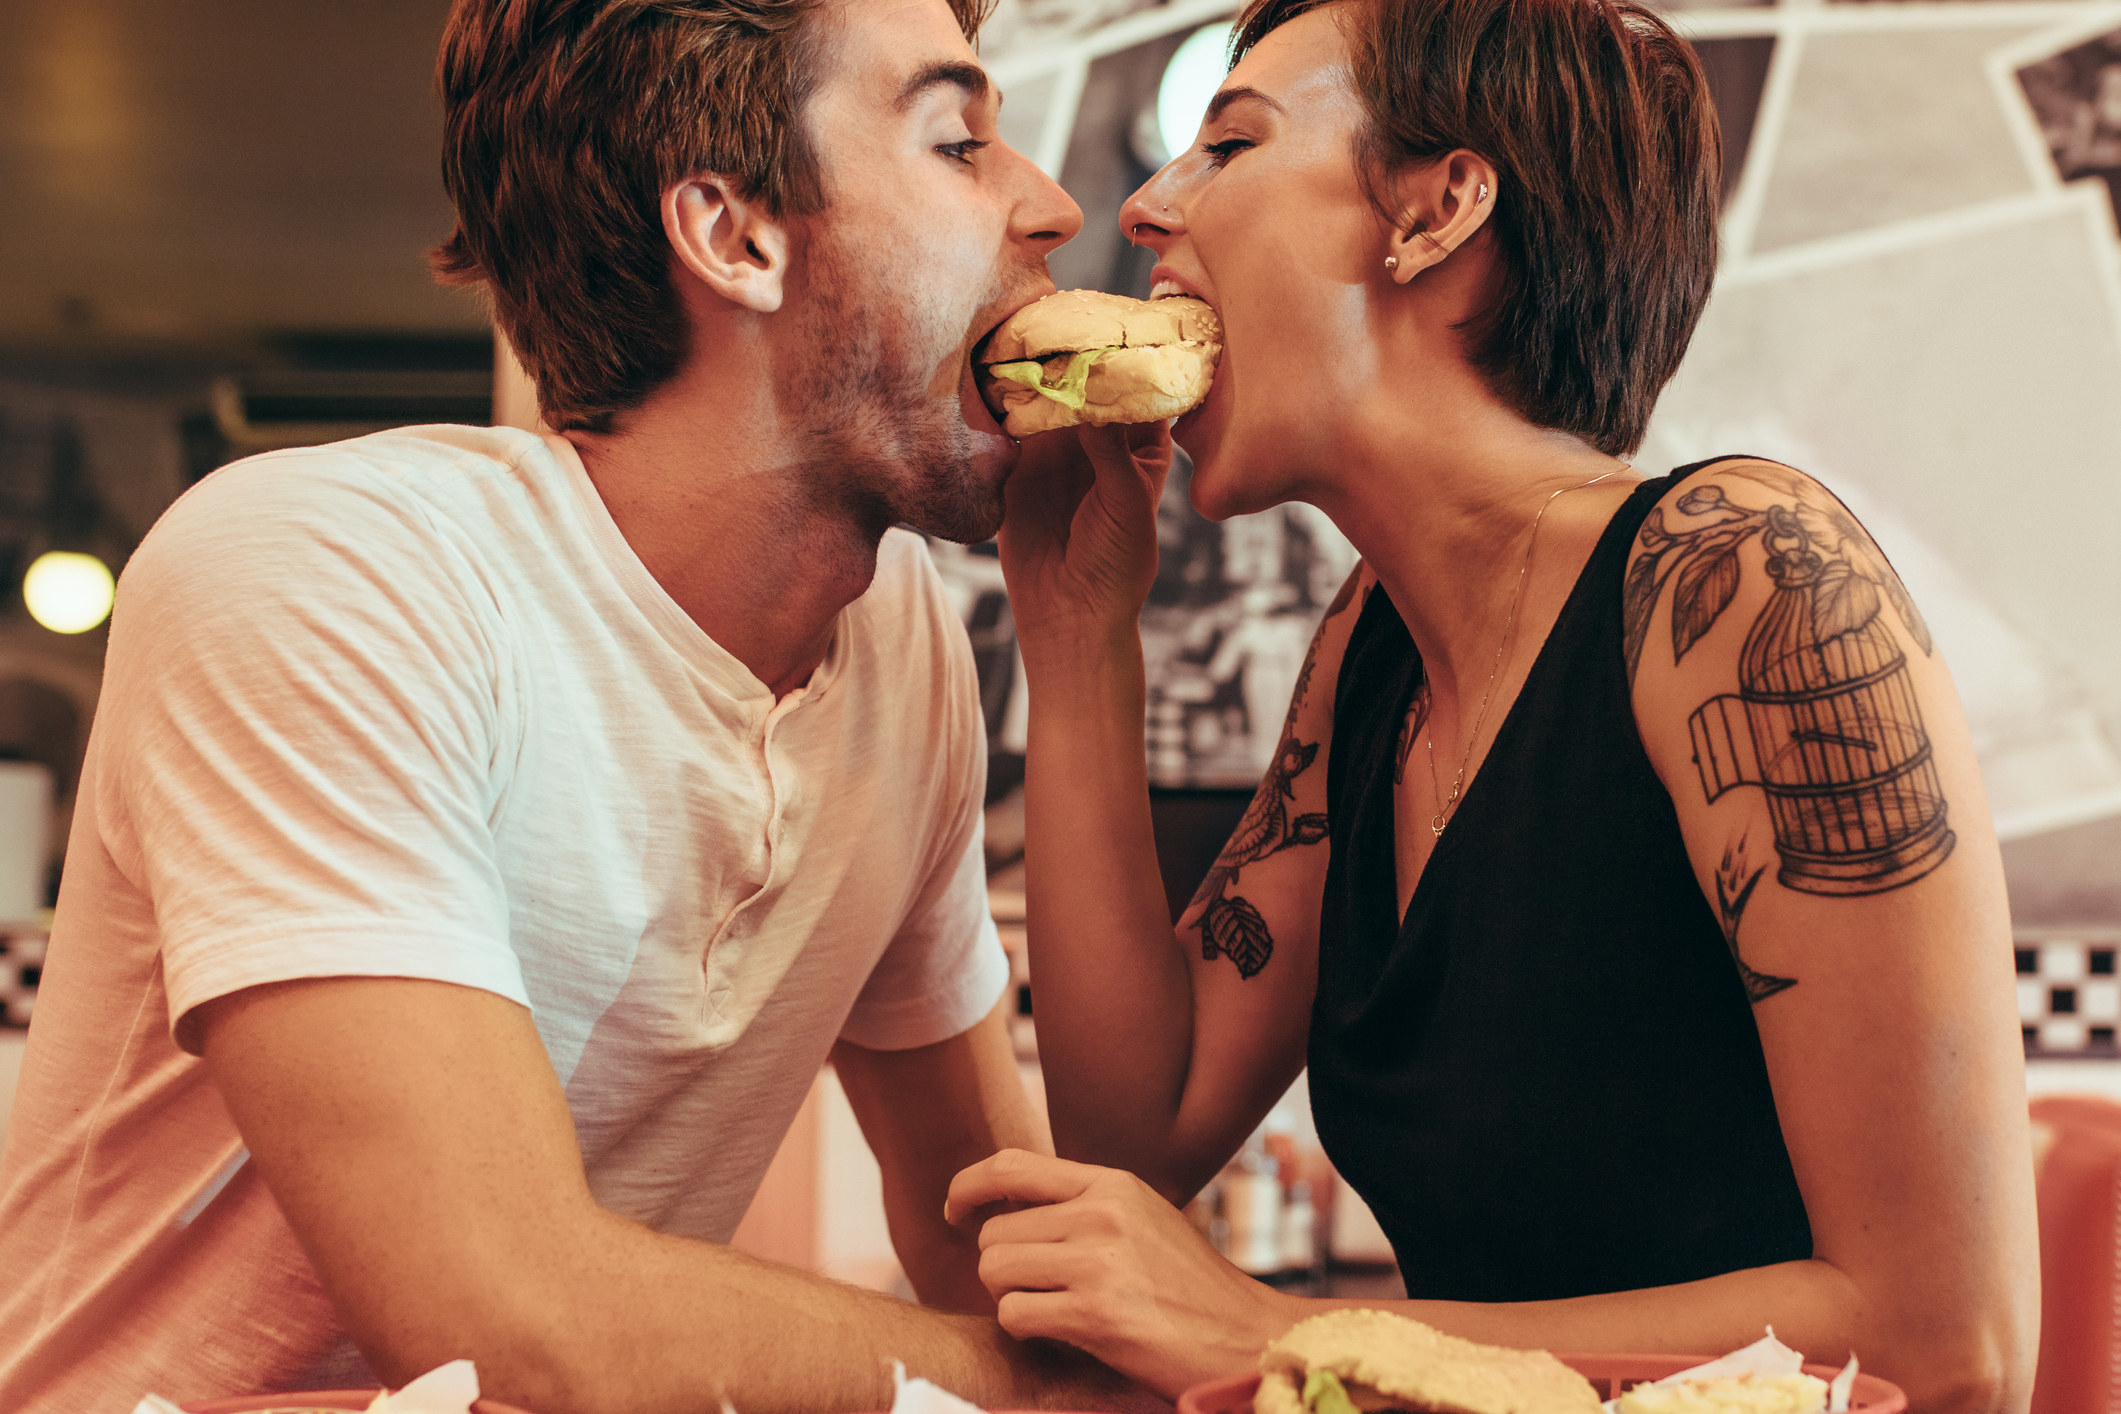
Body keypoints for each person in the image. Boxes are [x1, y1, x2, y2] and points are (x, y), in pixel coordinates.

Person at [0, 1, 1142, 1411]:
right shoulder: (325, 571)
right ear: (733, 233)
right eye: (959, 142)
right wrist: (1042, 1388)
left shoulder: (899, 644)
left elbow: (992, 1230)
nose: (1050, 202)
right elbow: (507, 1316)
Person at [944, 0, 2039, 1410]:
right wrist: (1077, 625)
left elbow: (1948, 1343)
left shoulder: (1742, 579)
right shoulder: (1372, 652)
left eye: (1228, 142)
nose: (1146, 206)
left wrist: (1272, 1331)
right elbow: (1140, 1128)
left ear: (1435, 210)